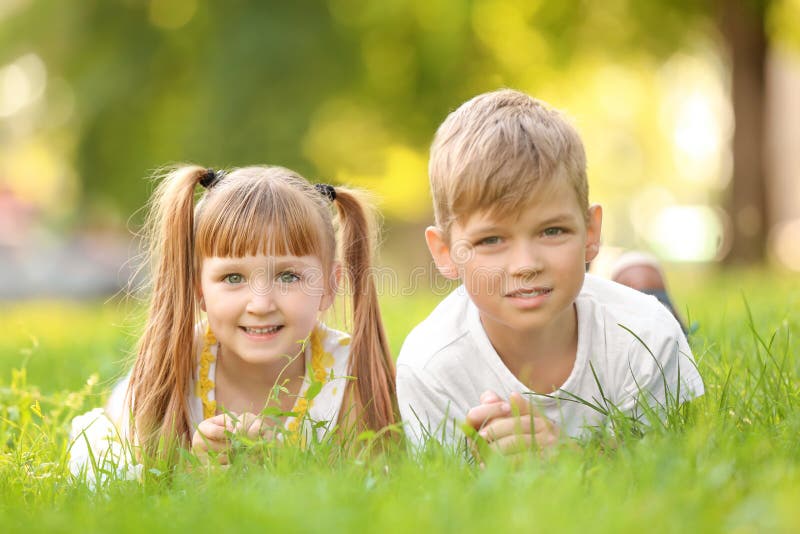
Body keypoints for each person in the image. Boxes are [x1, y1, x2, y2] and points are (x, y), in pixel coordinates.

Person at [395, 89, 704, 456]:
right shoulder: (430, 366)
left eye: (552, 231)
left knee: (658, 319)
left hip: (629, 319)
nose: (526, 264)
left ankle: (644, 287)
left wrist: (563, 455)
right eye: (492, 240)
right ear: (445, 253)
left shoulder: (647, 339)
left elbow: (669, 469)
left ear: (591, 233)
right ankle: (628, 278)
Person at [70, 165, 397, 478]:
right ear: (198, 289)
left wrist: (291, 471)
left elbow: (375, 484)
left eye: (287, 276)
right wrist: (189, 475)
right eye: (233, 277)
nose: (260, 304)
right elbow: (103, 471)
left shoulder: (350, 375)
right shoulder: (168, 372)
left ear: (329, 286)